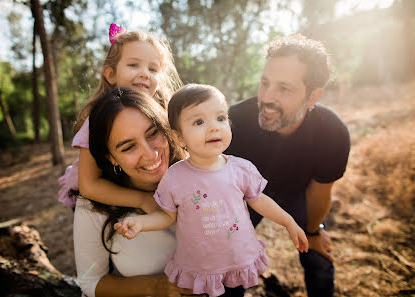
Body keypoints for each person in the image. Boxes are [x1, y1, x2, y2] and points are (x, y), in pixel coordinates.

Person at [114, 84, 309, 297]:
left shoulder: (240, 169)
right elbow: (166, 216)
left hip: (236, 262)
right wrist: (141, 223)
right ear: (179, 137)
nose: (214, 127)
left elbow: (260, 201)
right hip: (200, 270)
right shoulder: (175, 177)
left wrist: (288, 221)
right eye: (199, 122)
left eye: (221, 118)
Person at [225, 35, 350, 297]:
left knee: (319, 256)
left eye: (284, 88)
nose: (267, 98)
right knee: (228, 261)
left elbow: (319, 192)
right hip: (247, 196)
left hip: (298, 194)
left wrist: (313, 232)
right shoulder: (234, 121)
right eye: (265, 83)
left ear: (313, 96)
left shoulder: (332, 133)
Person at [74, 87, 200, 297]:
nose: (150, 155)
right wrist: (157, 287)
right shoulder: (93, 207)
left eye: (153, 133)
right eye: (128, 147)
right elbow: (89, 282)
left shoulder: (202, 177)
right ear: (111, 157)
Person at [58, 24, 181, 212]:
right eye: (133, 65)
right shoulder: (97, 119)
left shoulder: (162, 109)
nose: (144, 73)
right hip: (99, 194)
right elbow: (89, 185)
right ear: (111, 74)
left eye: (153, 69)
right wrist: (142, 200)